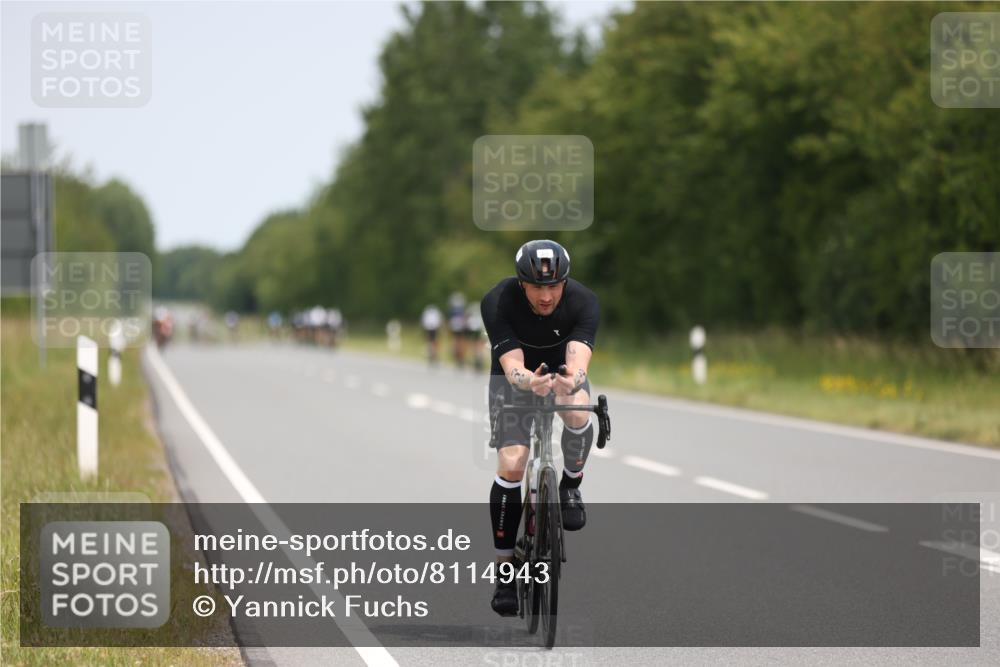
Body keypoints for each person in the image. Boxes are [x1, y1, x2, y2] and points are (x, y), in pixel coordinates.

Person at [480, 239, 599, 616]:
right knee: (513, 463)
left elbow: (579, 361)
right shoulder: (498, 301)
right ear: (521, 284)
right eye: (536, 286)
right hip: (515, 380)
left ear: (565, 283)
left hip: (560, 375)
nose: (545, 296)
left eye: (553, 286)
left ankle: (570, 487)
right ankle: (504, 571)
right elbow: (512, 365)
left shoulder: (584, 301)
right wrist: (529, 381)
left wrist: (573, 380)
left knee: (579, 408)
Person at [447, 292, 468, 368]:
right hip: (460, 326)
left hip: (454, 326)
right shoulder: (462, 309)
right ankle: (461, 358)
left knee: (455, 340)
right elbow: (464, 318)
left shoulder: (452, 310)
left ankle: (456, 355)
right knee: (461, 341)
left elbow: (449, 320)